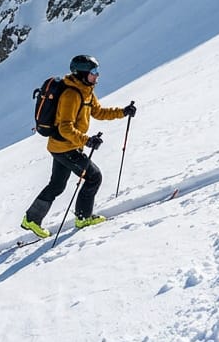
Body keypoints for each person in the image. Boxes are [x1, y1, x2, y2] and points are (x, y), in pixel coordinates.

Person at [20, 54, 137, 238]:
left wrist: (123, 112)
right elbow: (65, 127)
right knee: (94, 176)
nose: (97, 76)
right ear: (82, 73)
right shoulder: (71, 94)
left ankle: (31, 219)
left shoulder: (86, 90)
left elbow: (98, 112)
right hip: (65, 147)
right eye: (93, 72)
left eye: (97, 72)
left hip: (63, 146)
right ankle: (83, 217)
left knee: (57, 185)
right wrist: (86, 140)